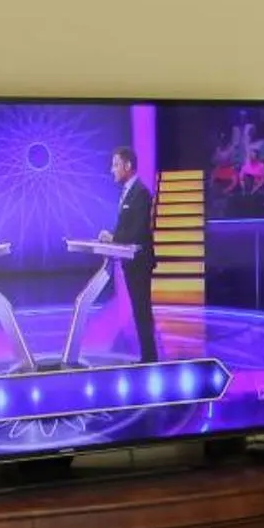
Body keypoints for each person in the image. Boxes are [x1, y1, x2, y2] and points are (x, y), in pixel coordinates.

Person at [99, 146, 158, 364]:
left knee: (142, 309)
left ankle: (150, 358)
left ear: (128, 166)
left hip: (140, 263)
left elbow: (138, 231)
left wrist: (113, 239)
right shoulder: (127, 192)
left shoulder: (140, 193)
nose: (112, 169)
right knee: (139, 309)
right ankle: (147, 356)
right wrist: (113, 236)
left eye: (115, 165)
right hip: (131, 263)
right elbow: (127, 228)